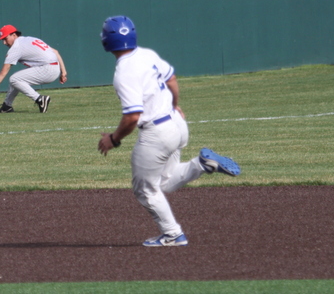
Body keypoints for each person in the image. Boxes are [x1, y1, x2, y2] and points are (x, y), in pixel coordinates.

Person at [97, 15, 241, 247]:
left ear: (106, 40)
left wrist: (113, 139)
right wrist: (174, 104)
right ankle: (202, 164)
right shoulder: (146, 54)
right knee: (163, 183)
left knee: (145, 190)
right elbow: (171, 79)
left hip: (157, 135)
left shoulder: (123, 73)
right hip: (177, 124)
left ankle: (173, 234)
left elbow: (132, 116)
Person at [0, 24, 68, 113]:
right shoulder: (30, 39)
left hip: (47, 69)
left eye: (6, 39)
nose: (4, 43)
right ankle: (7, 106)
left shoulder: (16, 47)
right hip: (54, 68)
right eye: (3, 40)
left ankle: (39, 99)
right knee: (16, 79)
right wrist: (63, 72)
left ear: (14, 35)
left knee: (14, 79)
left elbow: (3, 71)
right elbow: (55, 52)